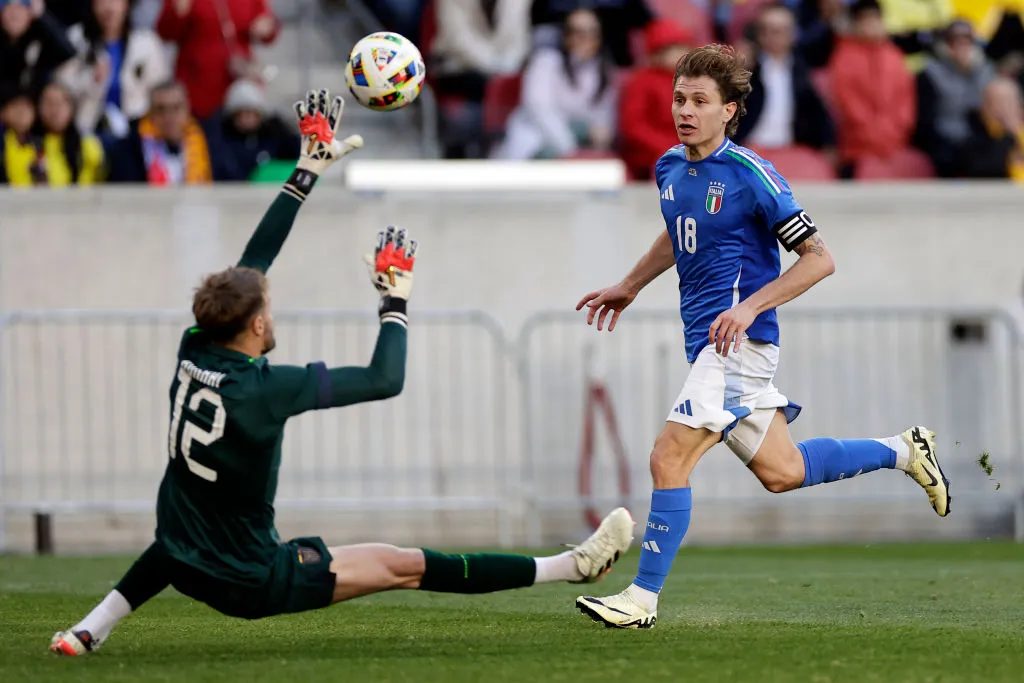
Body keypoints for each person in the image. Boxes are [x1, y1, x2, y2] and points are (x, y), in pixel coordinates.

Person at [49, 87, 634, 656]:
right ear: (254, 326)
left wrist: (306, 172)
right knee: (405, 565)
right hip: (253, 578)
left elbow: (252, 264)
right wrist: (395, 301)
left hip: (184, 556)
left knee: (180, 534)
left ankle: (89, 629)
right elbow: (385, 379)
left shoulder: (195, 345)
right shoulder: (267, 389)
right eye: (268, 310)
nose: (272, 312)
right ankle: (573, 566)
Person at [572, 45, 950, 631]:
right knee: (784, 472)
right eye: (679, 99)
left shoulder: (754, 176)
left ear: (730, 111)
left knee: (668, 457)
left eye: (700, 101)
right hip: (708, 342)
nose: (685, 111)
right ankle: (904, 449)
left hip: (738, 345)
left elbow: (818, 260)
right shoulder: (670, 167)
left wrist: (748, 308)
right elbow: (679, 233)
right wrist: (629, 284)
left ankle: (641, 599)